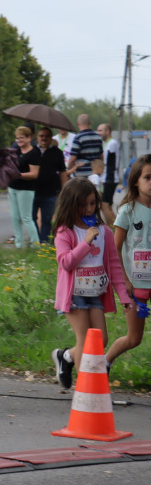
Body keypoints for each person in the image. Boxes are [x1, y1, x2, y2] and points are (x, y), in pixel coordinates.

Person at [50, 178, 131, 389]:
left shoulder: (104, 231)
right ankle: (85, 391)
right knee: (86, 341)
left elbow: (114, 266)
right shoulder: (64, 231)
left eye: (93, 203)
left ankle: (65, 356)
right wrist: (85, 243)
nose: (89, 209)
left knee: (100, 340)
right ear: (71, 204)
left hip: (95, 292)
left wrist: (123, 296)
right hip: (74, 294)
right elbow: (66, 262)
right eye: (83, 204)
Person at [105, 154, 151, 371]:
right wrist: (125, 281)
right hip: (134, 283)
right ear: (136, 181)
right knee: (134, 339)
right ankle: (102, 364)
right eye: (148, 178)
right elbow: (114, 249)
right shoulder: (128, 211)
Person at [32, 127, 69, 244]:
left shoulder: (57, 152)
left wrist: (65, 190)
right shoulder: (32, 150)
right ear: (37, 137)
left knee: (47, 219)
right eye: (41, 136)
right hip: (32, 191)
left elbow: (62, 172)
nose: (44, 138)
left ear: (50, 138)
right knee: (31, 218)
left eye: (47, 136)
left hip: (50, 192)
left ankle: (44, 242)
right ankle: (35, 241)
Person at [7, 126, 41, 248]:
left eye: (22, 138)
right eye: (17, 138)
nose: (19, 140)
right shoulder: (15, 151)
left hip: (26, 189)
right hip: (13, 187)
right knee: (15, 217)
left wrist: (19, 175)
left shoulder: (34, 152)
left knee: (26, 218)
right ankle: (19, 245)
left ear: (29, 138)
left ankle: (35, 245)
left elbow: (34, 174)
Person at [68, 114, 103, 180]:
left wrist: (69, 170)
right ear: (90, 123)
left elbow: (72, 159)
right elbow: (101, 156)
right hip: (95, 173)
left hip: (81, 173)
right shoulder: (98, 137)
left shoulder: (78, 137)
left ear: (78, 124)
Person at [98, 123, 120, 222]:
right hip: (105, 177)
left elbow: (111, 162)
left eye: (100, 131)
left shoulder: (112, 143)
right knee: (107, 205)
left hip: (109, 178)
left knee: (104, 204)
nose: (99, 133)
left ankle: (114, 229)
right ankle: (117, 228)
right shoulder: (104, 143)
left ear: (108, 131)